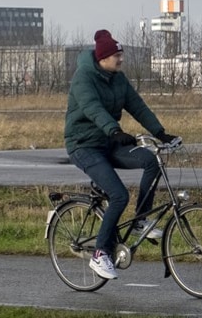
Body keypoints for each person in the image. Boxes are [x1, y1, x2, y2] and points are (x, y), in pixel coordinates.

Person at [64, 29, 179, 280]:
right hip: (84, 146)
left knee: (151, 161)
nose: (121, 59)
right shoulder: (84, 77)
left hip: (109, 143)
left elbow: (137, 105)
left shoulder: (118, 78)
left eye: (121, 54)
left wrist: (161, 133)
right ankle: (100, 254)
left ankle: (140, 221)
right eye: (117, 55)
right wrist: (114, 130)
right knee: (118, 195)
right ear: (103, 58)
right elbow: (93, 108)